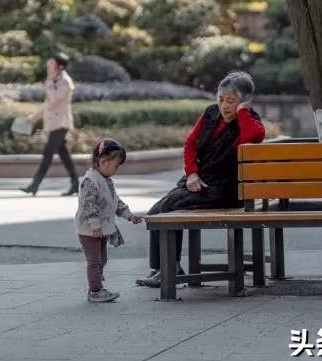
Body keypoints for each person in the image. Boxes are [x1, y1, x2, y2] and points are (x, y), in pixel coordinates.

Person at [137, 71, 265, 289]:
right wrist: (191, 173)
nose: (224, 106)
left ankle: (168, 269)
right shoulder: (210, 114)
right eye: (221, 99)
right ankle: (161, 267)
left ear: (244, 102)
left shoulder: (251, 122)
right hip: (202, 181)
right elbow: (190, 144)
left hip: (226, 189)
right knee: (156, 210)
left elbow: (249, 138)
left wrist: (243, 112)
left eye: (231, 101)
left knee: (168, 206)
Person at [76, 138, 143, 303]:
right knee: (94, 261)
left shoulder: (106, 180)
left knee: (102, 260)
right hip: (90, 230)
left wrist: (129, 215)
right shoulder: (90, 181)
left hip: (101, 229)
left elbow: (115, 202)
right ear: (103, 161)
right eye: (115, 166)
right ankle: (95, 291)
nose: (116, 170)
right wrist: (94, 225)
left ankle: (95, 284)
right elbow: (87, 205)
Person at [20, 54, 79, 196]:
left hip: (61, 123)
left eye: (52, 64)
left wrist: (50, 81)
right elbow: (47, 105)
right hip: (54, 123)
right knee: (64, 155)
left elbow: (54, 99)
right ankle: (76, 183)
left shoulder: (65, 82)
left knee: (48, 154)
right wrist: (33, 118)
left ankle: (35, 185)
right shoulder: (53, 81)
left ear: (60, 67)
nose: (49, 66)